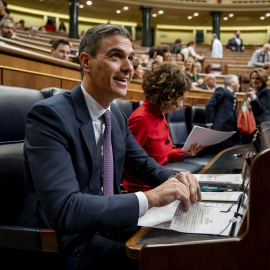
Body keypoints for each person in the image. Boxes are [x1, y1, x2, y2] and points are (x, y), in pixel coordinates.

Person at [17, 24, 201, 270]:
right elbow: (66, 209)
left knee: (191, 246)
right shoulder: (49, 116)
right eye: (116, 56)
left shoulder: (114, 115)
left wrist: (180, 179)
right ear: (86, 62)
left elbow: (144, 165)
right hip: (67, 244)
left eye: (131, 58)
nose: (128, 67)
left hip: (110, 228)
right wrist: (151, 197)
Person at [123, 63, 205, 192]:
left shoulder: (160, 114)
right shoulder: (141, 119)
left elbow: (159, 154)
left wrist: (184, 152)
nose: (181, 104)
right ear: (166, 95)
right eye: (180, 98)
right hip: (144, 190)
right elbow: (128, 163)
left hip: (161, 183)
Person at [205, 74, 241, 154]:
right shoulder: (222, 90)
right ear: (232, 83)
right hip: (222, 128)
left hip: (231, 129)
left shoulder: (232, 94)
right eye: (238, 82)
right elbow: (210, 105)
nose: (239, 85)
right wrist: (210, 123)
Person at [241, 68, 270, 143]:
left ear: (262, 79)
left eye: (257, 79)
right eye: (252, 78)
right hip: (249, 124)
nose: (254, 81)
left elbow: (261, 109)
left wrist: (254, 98)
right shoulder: (252, 91)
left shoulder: (266, 92)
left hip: (259, 126)